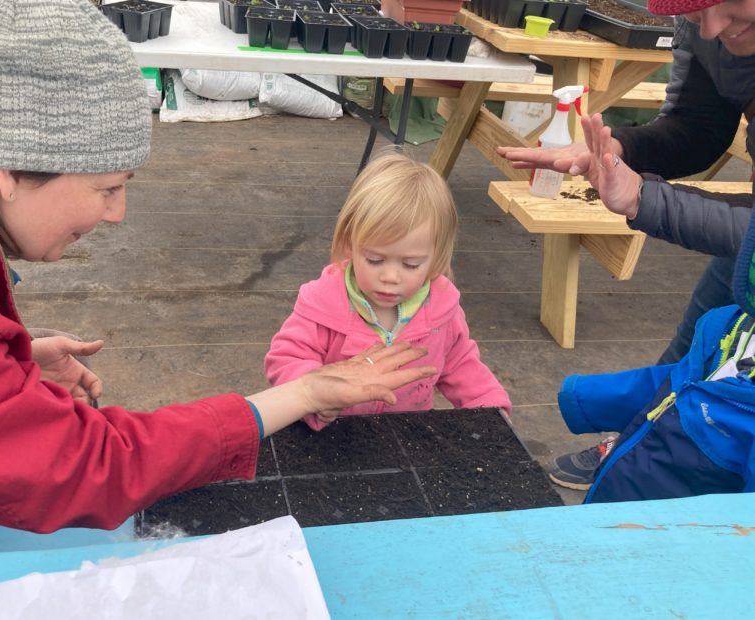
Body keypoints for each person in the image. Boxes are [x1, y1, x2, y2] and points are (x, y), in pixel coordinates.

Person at [0, 0, 437, 566]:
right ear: (7, 169)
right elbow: (87, 467)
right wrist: (300, 395)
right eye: (106, 187)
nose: (117, 214)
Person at [496, 0, 755, 490]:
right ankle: (642, 445)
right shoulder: (704, 23)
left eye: (730, 4)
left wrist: (642, 198)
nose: (714, 29)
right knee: (693, 354)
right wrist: (618, 150)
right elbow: (698, 128)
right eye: (695, 15)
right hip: (746, 247)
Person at [264, 152, 511, 431]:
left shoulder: (442, 311)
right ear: (349, 242)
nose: (390, 277)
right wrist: (317, 397)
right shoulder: (321, 304)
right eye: (375, 260)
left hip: (406, 436)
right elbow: (285, 358)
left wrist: (489, 412)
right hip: (331, 435)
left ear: (437, 257)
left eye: (411, 264)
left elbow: (461, 364)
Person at [556, 210, 755, 504]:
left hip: (668, 537)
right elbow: (680, 382)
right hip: (623, 497)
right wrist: (586, 397)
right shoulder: (734, 325)